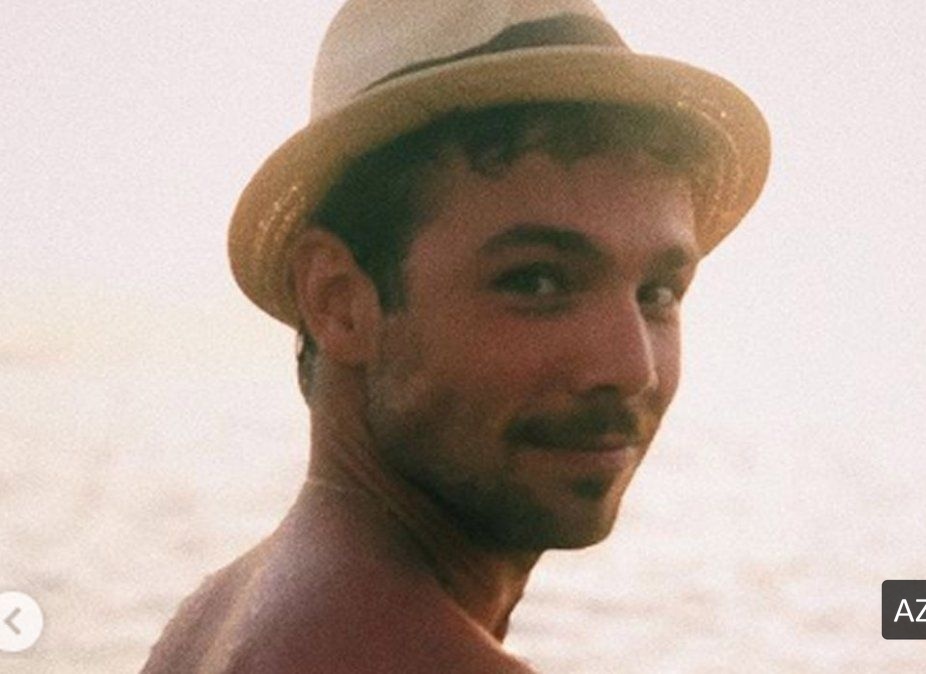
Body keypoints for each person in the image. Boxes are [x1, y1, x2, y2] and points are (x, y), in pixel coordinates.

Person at [144, 0, 769, 671]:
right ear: (338, 302)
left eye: (658, 293)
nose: (629, 367)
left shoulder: (216, 622)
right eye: (537, 282)